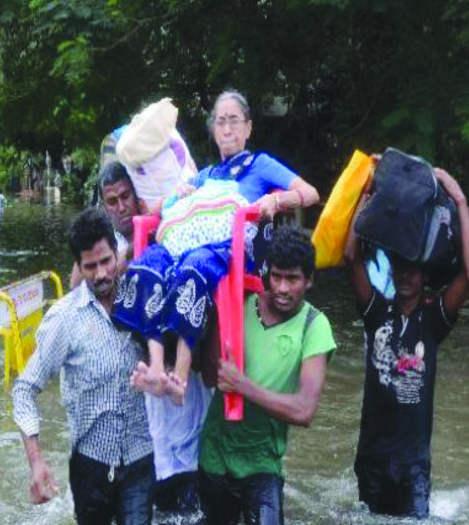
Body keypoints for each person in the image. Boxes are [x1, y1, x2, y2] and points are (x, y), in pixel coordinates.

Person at [116, 90, 320, 405]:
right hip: (194, 241)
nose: (227, 129)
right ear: (213, 130)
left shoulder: (260, 164)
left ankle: (179, 378)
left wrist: (276, 199)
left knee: (195, 265)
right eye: (221, 122)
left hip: (234, 246)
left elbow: (309, 193)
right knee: (150, 263)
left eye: (234, 121)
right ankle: (157, 369)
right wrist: (180, 193)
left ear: (248, 128)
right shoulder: (206, 176)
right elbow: (160, 211)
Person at [344, 167, 469, 519]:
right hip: (372, 458)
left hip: (413, 465)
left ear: (425, 275)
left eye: (413, 269)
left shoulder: (434, 321)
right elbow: (351, 257)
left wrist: (460, 200)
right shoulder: (376, 312)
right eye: (399, 267)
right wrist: (367, 196)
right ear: (390, 271)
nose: (405, 275)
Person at [12, 208, 154, 524]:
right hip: (90, 466)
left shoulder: (144, 299)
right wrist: (36, 461)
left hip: (140, 458)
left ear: (118, 253)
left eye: (107, 261)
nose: (102, 273)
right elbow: (24, 389)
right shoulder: (65, 319)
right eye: (91, 266)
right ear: (78, 266)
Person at [198, 226, 337, 524]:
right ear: (266, 274)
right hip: (214, 456)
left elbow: (304, 410)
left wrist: (243, 385)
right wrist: (218, 309)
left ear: (309, 279)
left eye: (293, 278)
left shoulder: (315, 325)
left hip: (263, 464)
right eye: (276, 276)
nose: (283, 288)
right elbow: (211, 378)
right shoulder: (242, 303)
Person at [70, 163, 140, 288]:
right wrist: (132, 251)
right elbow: (75, 289)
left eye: (125, 196)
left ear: (136, 194)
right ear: (104, 207)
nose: (122, 208)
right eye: (112, 202)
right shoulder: (97, 237)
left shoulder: (157, 228)